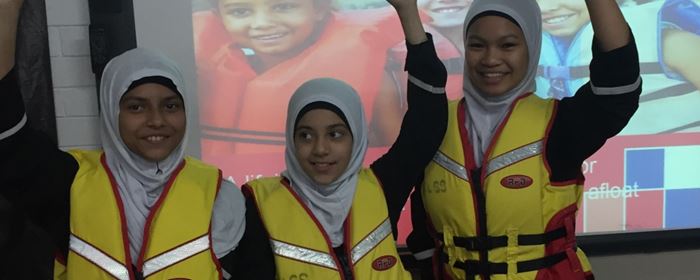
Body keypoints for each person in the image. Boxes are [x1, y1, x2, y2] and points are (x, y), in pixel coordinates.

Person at [0, 1, 275, 278]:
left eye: (170, 106)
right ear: (111, 112)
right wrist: (8, 13)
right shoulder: (72, 183)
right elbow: (9, 141)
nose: (156, 120)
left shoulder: (220, 197)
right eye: (136, 107)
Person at [406, 0, 641, 279]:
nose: (491, 59)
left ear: (531, 47)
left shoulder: (559, 126)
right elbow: (423, 236)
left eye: (508, 45)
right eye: (477, 45)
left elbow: (618, 87)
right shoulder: (435, 125)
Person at [240, 0, 448, 278]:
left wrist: (407, 12)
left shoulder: (381, 188)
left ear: (358, 138)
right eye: (305, 135)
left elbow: (427, 121)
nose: (321, 149)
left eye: (336, 134)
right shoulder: (256, 205)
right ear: (290, 140)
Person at [195, 0, 406, 163]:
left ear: (319, 8)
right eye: (240, 11)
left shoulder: (375, 78)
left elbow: (399, 154)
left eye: (283, 6)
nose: (262, 24)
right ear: (219, 17)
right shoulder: (203, 77)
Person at [537, 0, 700, 134]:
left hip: (669, 165)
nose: (547, 7)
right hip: (585, 168)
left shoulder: (671, 42)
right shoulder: (525, 52)